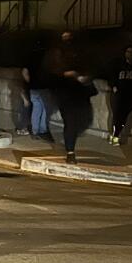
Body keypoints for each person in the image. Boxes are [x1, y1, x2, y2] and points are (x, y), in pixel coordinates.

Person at [45, 31, 94, 164]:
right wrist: (68, 74)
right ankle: (70, 152)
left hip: (79, 93)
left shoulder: (80, 54)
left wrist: (83, 77)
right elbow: (53, 72)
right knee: (70, 122)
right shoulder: (56, 54)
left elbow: (89, 68)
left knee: (84, 120)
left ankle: (71, 144)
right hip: (65, 94)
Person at [108, 45, 132, 144]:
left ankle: (118, 135)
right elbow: (112, 76)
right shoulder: (119, 64)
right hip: (119, 93)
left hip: (131, 95)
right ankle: (115, 136)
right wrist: (114, 87)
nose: (130, 54)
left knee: (124, 116)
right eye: (128, 52)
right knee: (117, 115)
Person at [25, 36, 54, 143]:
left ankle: (35, 131)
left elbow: (25, 72)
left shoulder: (31, 56)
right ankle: (43, 130)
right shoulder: (47, 57)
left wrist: (29, 83)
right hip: (43, 87)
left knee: (36, 109)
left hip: (33, 87)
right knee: (45, 109)